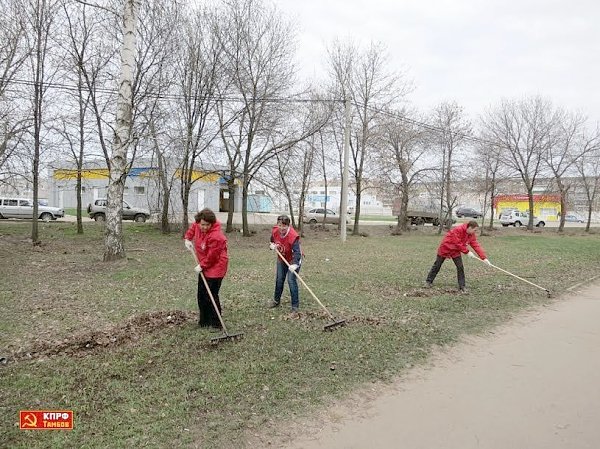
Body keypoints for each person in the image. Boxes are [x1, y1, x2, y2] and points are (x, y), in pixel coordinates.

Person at [184, 208, 228, 329]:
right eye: (202, 224)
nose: (204, 227)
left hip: (216, 267)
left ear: (211, 223)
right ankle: (204, 321)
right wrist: (187, 238)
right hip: (204, 264)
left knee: (211, 295)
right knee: (201, 295)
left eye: (207, 225)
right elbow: (193, 228)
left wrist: (202, 265)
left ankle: (216, 323)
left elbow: (213, 257)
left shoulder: (217, 236)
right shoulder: (198, 225)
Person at [425, 220, 490, 292]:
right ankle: (428, 281)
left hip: (455, 251)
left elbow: (476, 245)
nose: (475, 232)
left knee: (460, 267)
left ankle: (462, 286)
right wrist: (467, 252)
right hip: (445, 248)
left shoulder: (471, 235)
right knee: (437, 265)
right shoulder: (458, 230)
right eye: (475, 230)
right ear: (470, 228)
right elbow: (457, 243)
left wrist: (484, 258)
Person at [268, 214, 302, 314]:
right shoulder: (275, 230)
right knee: (279, 280)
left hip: (293, 260)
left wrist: (295, 264)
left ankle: (295, 307)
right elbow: (272, 240)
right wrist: (272, 245)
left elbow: (297, 252)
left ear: (288, 226)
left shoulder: (293, 236)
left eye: (284, 226)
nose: (281, 228)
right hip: (282, 259)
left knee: (291, 281)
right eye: (280, 225)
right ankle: (276, 301)